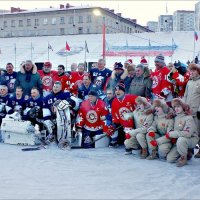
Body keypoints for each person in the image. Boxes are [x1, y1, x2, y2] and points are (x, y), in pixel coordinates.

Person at [43, 81, 76, 148]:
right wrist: (47, 119)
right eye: (54, 86)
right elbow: (45, 109)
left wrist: (68, 101)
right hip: (53, 117)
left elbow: (74, 102)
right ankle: (52, 136)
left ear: (61, 88)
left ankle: (66, 138)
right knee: (49, 122)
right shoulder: (47, 97)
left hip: (65, 116)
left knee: (64, 121)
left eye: (57, 87)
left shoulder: (66, 94)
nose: (55, 88)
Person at [166, 98, 198, 167]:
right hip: (179, 140)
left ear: (183, 107)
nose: (176, 109)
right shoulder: (175, 117)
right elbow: (170, 128)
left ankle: (184, 158)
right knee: (170, 159)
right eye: (174, 107)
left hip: (191, 139)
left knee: (181, 139)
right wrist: (170, 133)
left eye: (178, 106)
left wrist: (172, 134)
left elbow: (187, 133)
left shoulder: (188, 118)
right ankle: (186, 152)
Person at [111, 81, 138, 146]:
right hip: (122, 123)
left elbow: (142, 102)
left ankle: (133, 144)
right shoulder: (114, 101)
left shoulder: (131, 97)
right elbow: (114, 114)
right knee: (111, 127)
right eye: (116, 90)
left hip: (133, 122)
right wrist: (115, 123)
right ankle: (115, 141)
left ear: (123, 91)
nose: (117, 91)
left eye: (119, 90)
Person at [182, 63, 200, 158]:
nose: (191, 72)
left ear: (198, 71)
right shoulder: (189, 82)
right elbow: (185, 95)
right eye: (190, 70)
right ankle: (189, 150)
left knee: (197, 131)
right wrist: (183, 106)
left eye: (193, 70)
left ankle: (198, 150)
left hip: (196, 111)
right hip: (188, 111)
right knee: (188, 130)